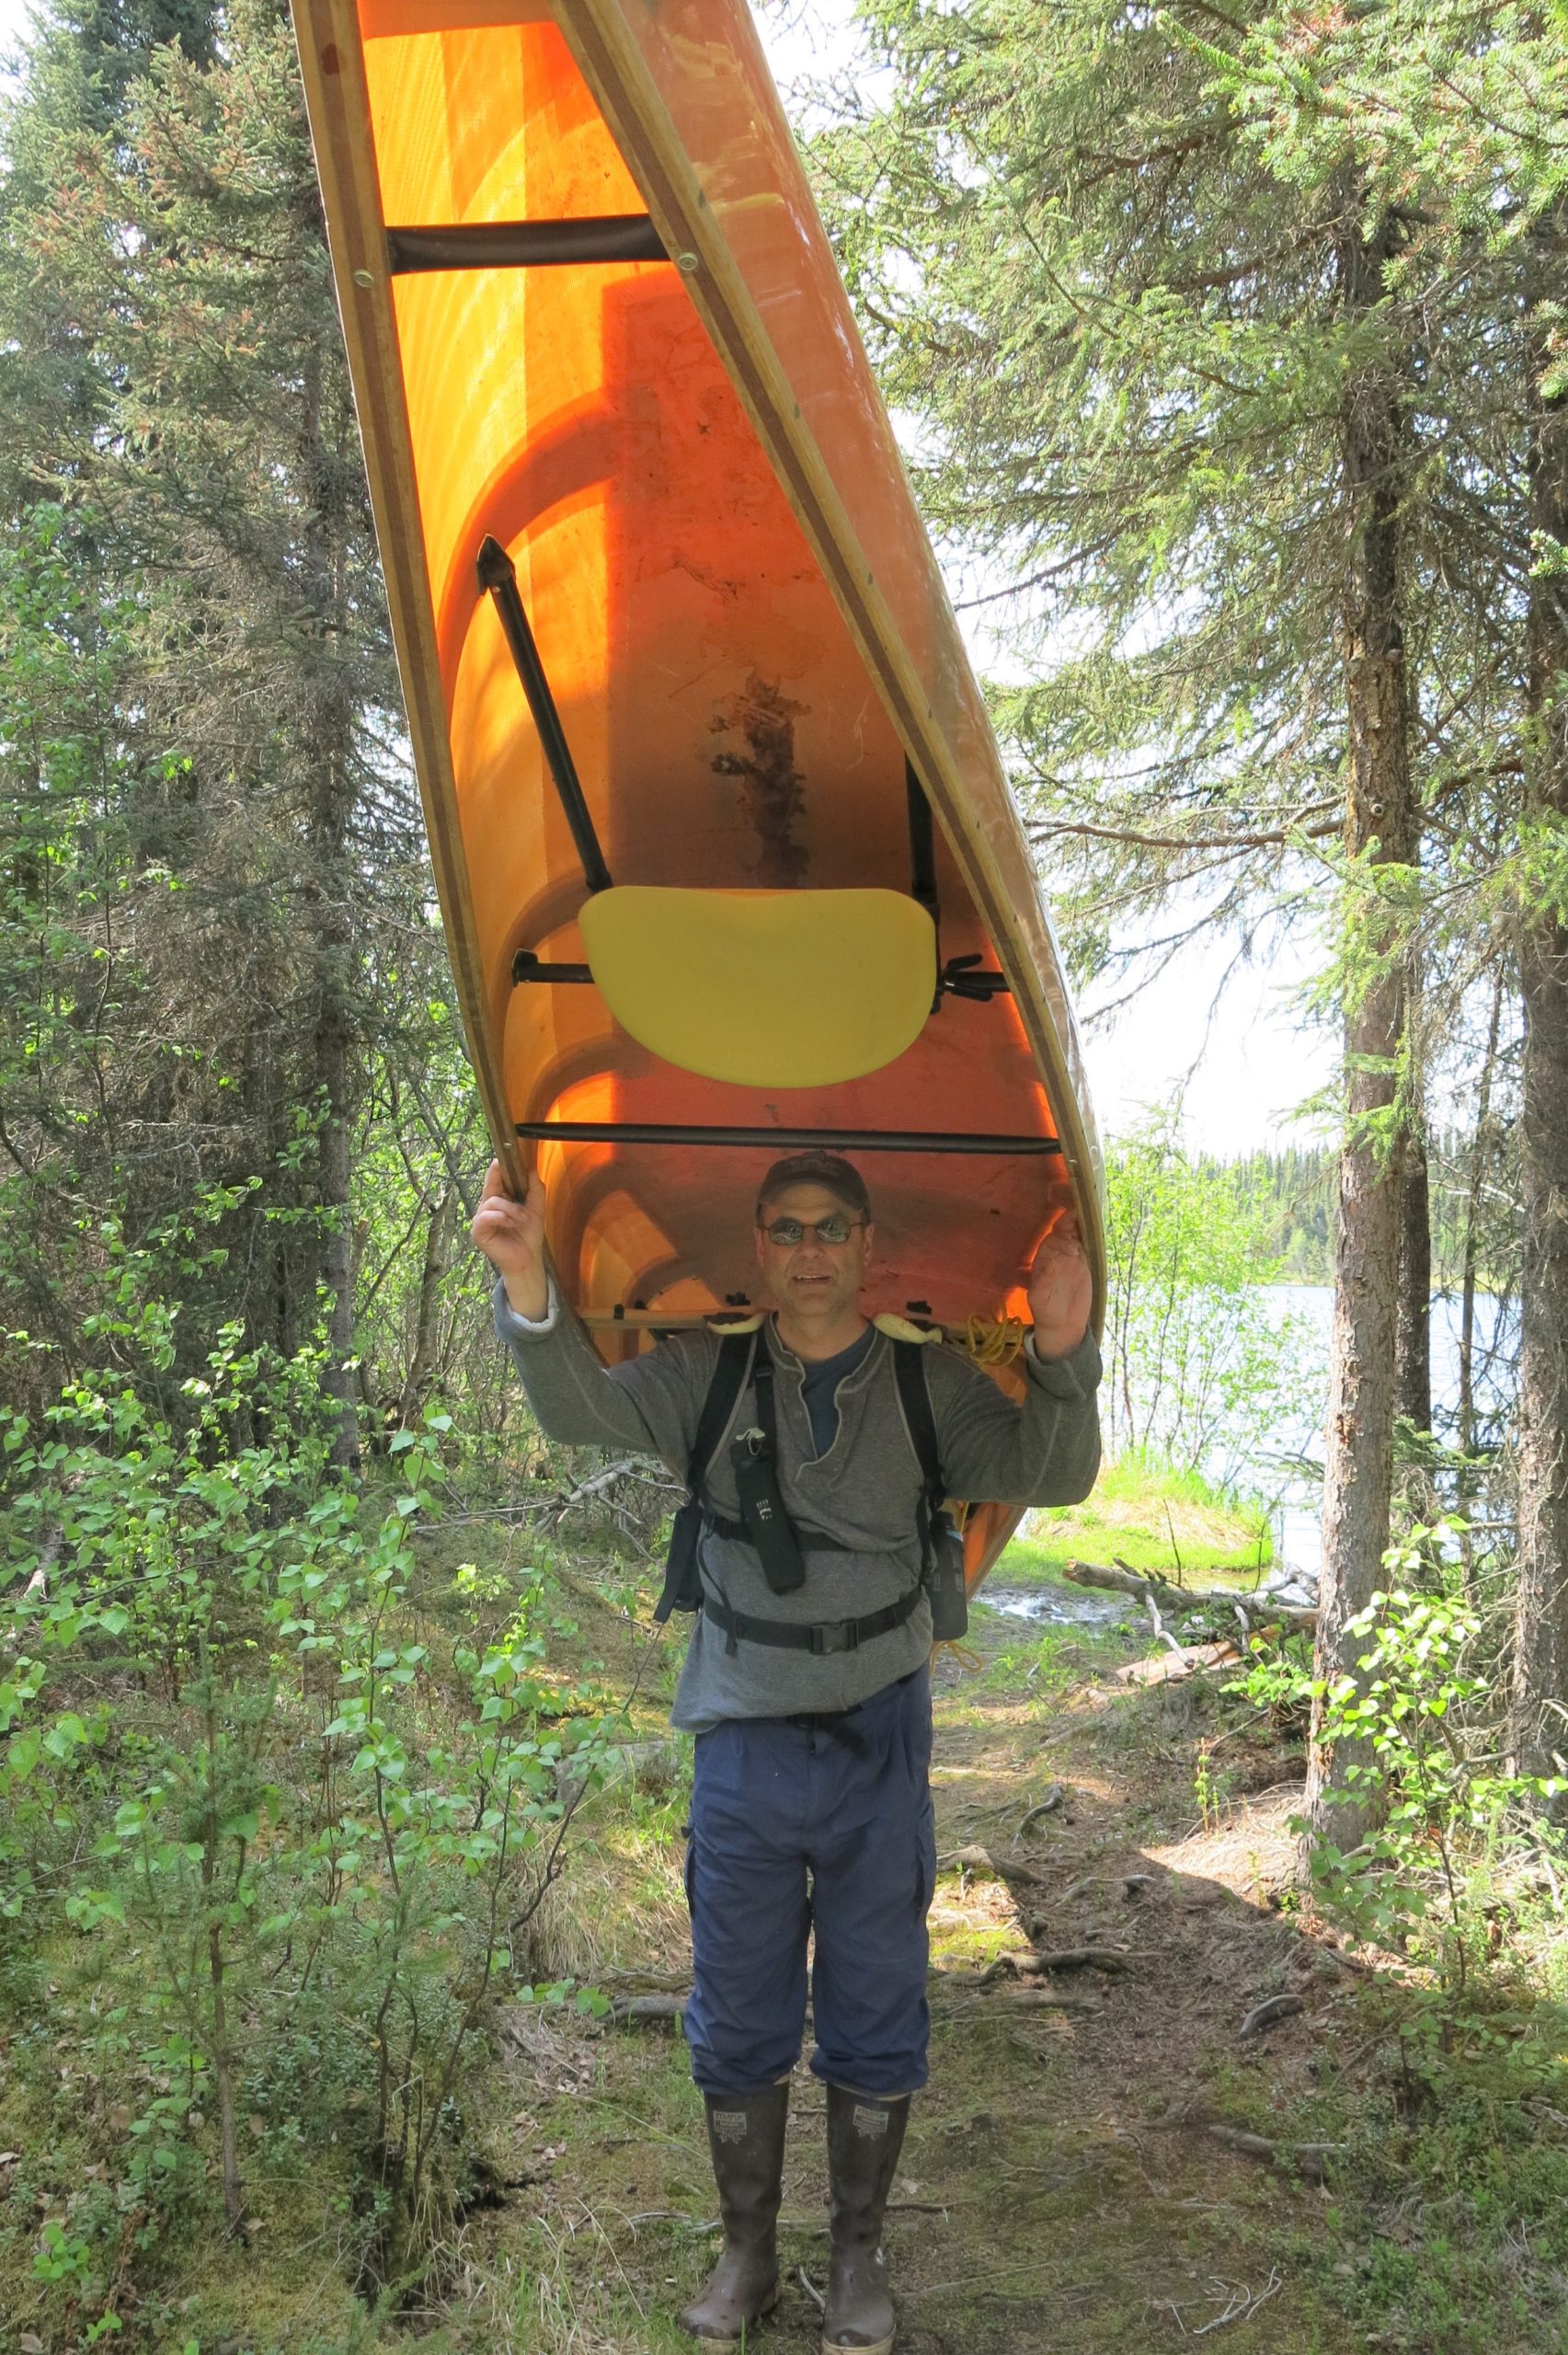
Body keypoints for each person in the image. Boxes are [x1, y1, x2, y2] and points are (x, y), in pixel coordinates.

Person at [472, 1149, 1100, 2355]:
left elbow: (1050, 1473)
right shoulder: (702, 1374)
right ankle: (748, 2250)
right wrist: (532, 1292)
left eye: (830, 1228)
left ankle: (855, 2256)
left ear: (867, 1249)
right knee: (742, 2002)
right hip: (744, 1729)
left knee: (873, 1996)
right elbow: (577, 1413)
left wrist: (1061, 1354)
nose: (809, 1249)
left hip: (878, 1730)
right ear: (756, 1251)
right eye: (785, 1229)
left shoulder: (925, 1392)